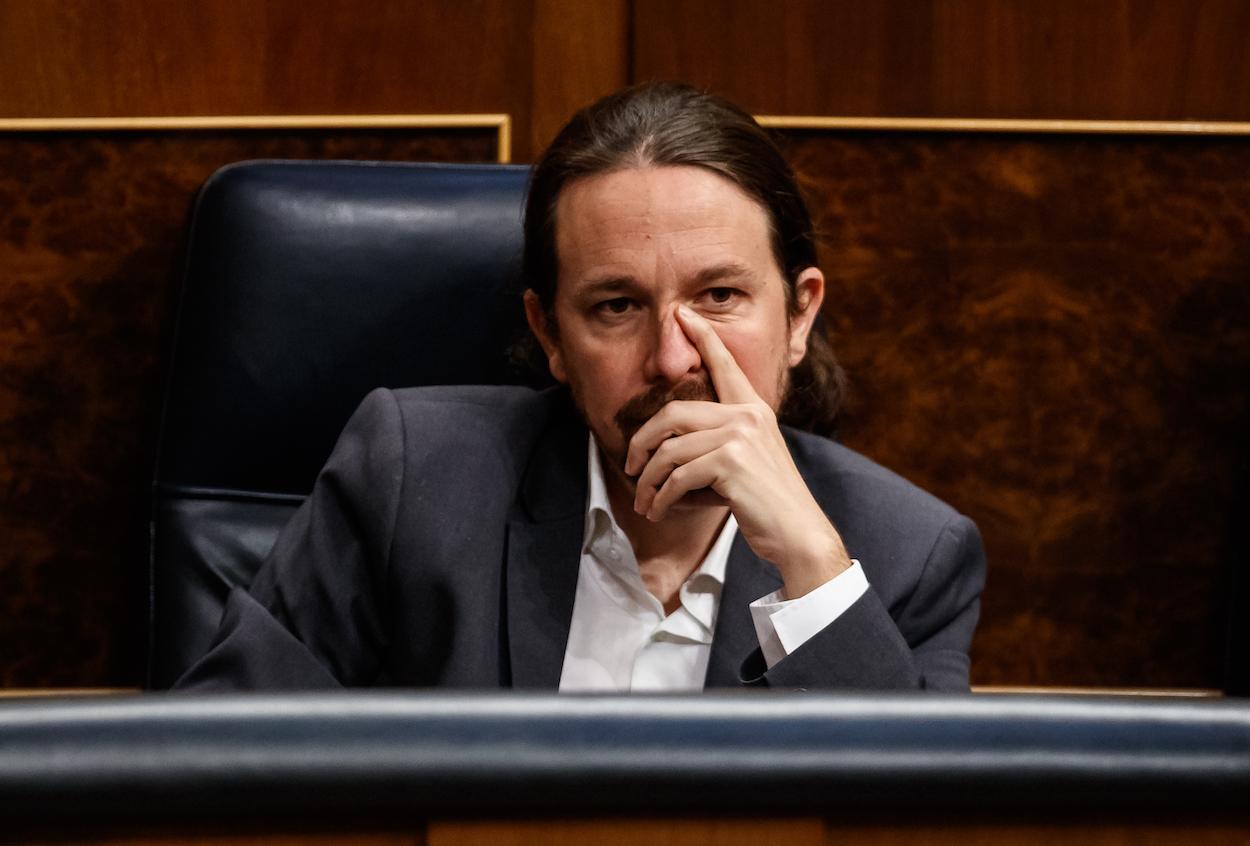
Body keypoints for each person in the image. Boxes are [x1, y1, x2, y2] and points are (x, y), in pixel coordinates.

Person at [176, 82, 985, 692]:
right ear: (551, 336)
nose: (674, 359)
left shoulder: (909, 556)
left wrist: (809, 567)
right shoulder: (411, 480)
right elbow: (220, 769)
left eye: (719, 297)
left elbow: (914, 823)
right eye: (617, 306)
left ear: (799, 316)